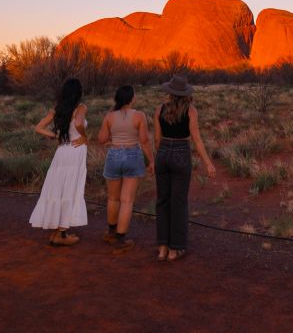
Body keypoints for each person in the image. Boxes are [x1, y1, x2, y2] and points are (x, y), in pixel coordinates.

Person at [153, 74, 215, 262]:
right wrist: (208, 163)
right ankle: (175, 249)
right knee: (178, 203)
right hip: (181, 153)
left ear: (170, 92)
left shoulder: (159, 109)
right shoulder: (191, 111)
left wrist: (158, 158)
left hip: (163, 153)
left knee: (162, 201)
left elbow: (156, 138)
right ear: (185, 93)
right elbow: (196, 139)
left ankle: (162, 248)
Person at [29, 78, 89, 246]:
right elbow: (79, 123)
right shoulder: (81, 108)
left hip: (62, 152)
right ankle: (61, 234)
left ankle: (57, 232)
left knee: (59, 187)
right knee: (70, 188)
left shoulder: (58, 109)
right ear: (78, 93)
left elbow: (38, 127)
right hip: (76, 151)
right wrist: (84, 136)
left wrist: (55, 135)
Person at [97, 84, 153, 253]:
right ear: (131, 98)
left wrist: (113, 136)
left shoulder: (109, 116)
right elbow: (144, 141)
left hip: (114, 155)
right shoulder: (139, 116)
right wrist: (152, 161)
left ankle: (110, 233)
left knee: (113, 199)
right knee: (126, 200)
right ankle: (121, 239)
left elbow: (101, 139)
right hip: (132, 155)